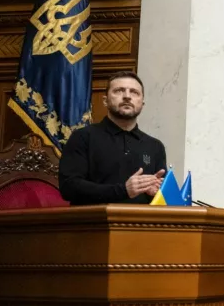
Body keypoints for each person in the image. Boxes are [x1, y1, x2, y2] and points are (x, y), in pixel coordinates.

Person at [59, 71, 167, 205]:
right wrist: (124, 190)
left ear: (142, 104)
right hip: (94, 222)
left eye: (134, 92)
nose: (127, 96)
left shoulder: (155, 146)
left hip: (141, 224)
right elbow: (69, 187)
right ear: (105, 101)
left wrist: (157, 193)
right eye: (119, 91)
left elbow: (162, 199)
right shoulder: (82, 137)